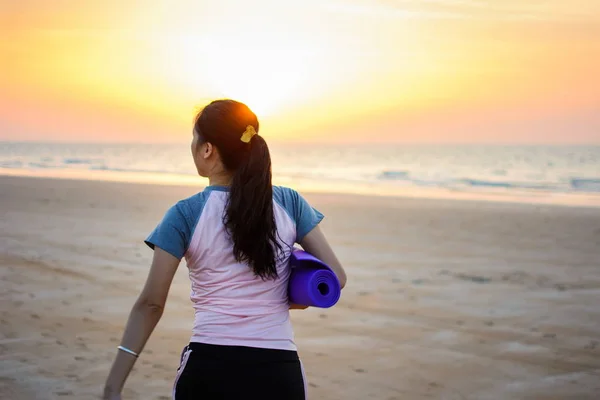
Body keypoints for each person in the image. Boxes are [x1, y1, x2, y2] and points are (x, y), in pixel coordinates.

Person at [103, 99, 347, 400]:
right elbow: (335, 277)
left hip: (210, 367)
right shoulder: (289, 203)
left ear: (207, 149)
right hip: (278, 370)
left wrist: (113, 386)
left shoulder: (185, 214)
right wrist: (291, 292)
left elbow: (151, 304)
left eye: (195, 139)